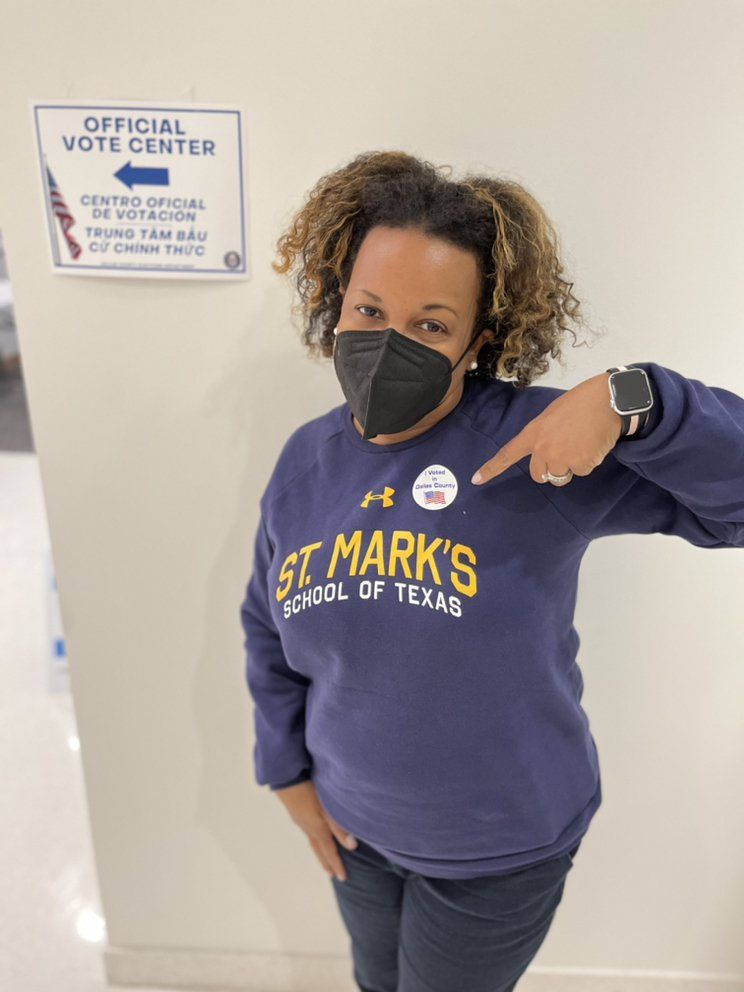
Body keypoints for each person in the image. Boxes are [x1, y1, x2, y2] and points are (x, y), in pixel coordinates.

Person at [239, 150, 744, 992]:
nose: (388, 341)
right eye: (369, 308)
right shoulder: (306, 460)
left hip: (498, 853)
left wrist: (636, 400)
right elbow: (267, 628)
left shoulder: (540, 444)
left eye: (431, 324)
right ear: (337, 305)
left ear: (480, 340)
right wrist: (285, 773)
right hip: (357, 835)